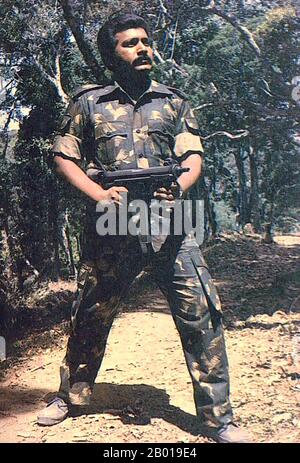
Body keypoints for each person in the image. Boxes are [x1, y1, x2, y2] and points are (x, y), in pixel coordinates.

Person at [37, 12, 251, 443]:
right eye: (129, 43)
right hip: (111, 225)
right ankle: (72, 396)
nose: (142, 49)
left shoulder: (174, 101)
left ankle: (218, 420)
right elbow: (63, 157)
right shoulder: (88, 103)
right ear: (110, 54)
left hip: (173, 225)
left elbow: (192, 157)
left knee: (201, 316)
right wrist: (98, 196)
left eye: (144, 41)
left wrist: (180, 186)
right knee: (92, 314)